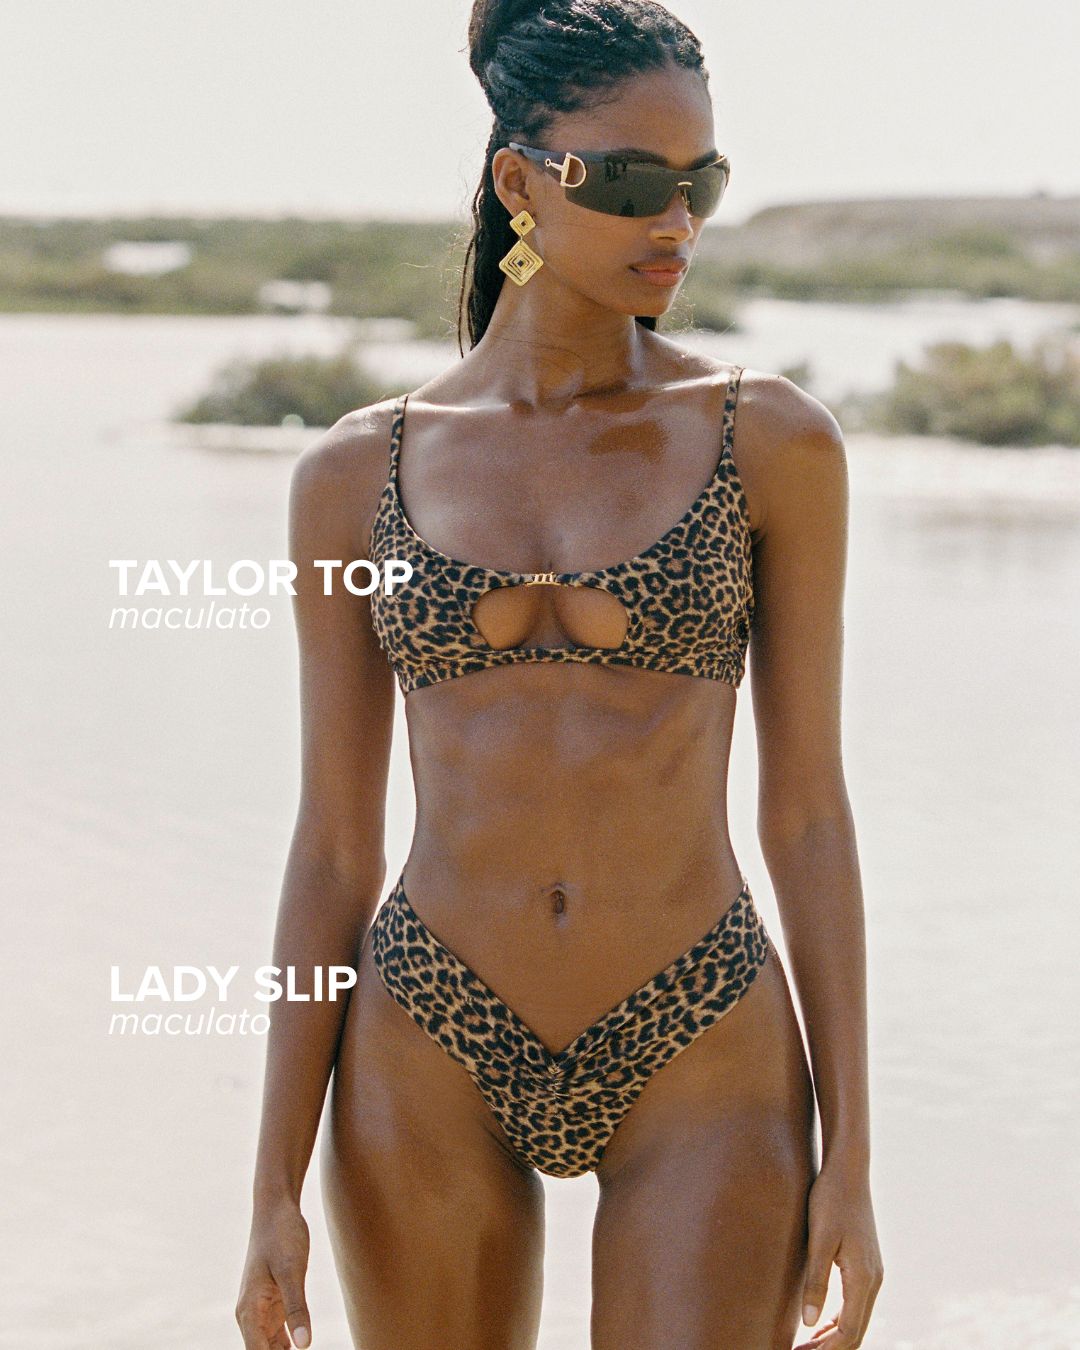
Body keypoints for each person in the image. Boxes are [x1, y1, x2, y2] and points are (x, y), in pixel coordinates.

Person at [235, 1, 884, 1347]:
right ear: (520, 181)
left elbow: (809, 812)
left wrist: (857, 1159)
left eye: (700, 183)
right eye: (632, 182)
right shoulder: (356, 475)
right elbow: (332, 848)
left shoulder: (769, 445)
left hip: (701, 1028)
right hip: (426, 1028)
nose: (676, 225)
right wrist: (270, 1183)